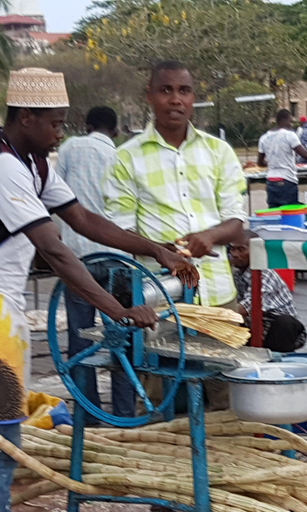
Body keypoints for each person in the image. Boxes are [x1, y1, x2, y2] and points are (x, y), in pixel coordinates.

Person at [0, 67, 197, 512]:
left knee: (5, 434)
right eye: (55, 123)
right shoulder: (2, 166)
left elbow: (84, 221)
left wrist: (157, 250)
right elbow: (55, 250)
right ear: (26, 117)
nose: (62, 132)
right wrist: (117, 309)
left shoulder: (34, 164)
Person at [104, 61, 246, 412]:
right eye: (165, 90)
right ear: (149, 96)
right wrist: (161, 251)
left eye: (184, 91)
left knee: (228, 403)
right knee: (164, 406)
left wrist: (210, 236)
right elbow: (119, 231)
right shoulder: (125, 159)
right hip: (159, 301)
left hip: (217, 298)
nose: (175, 99)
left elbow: (237, 220)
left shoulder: (219, 152)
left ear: (194, 97)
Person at [54, 105, 136, 422]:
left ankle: (88, 414)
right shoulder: (123, 155)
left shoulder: (70, 147)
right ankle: (125, 412)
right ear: (114, 130)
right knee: (124, 339)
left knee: (80, 337)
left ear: (86, 126)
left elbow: (54, 198)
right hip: (119, 258)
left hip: (79, 257)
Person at [229, 230, 306, 353]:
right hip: (254, 327)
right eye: (232, 249)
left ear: (255, 251)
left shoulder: (265, 275)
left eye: (241, 250)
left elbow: (244, 308)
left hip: (279, 330)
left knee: (283, 323)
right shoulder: (237, 274)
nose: (235, 254)